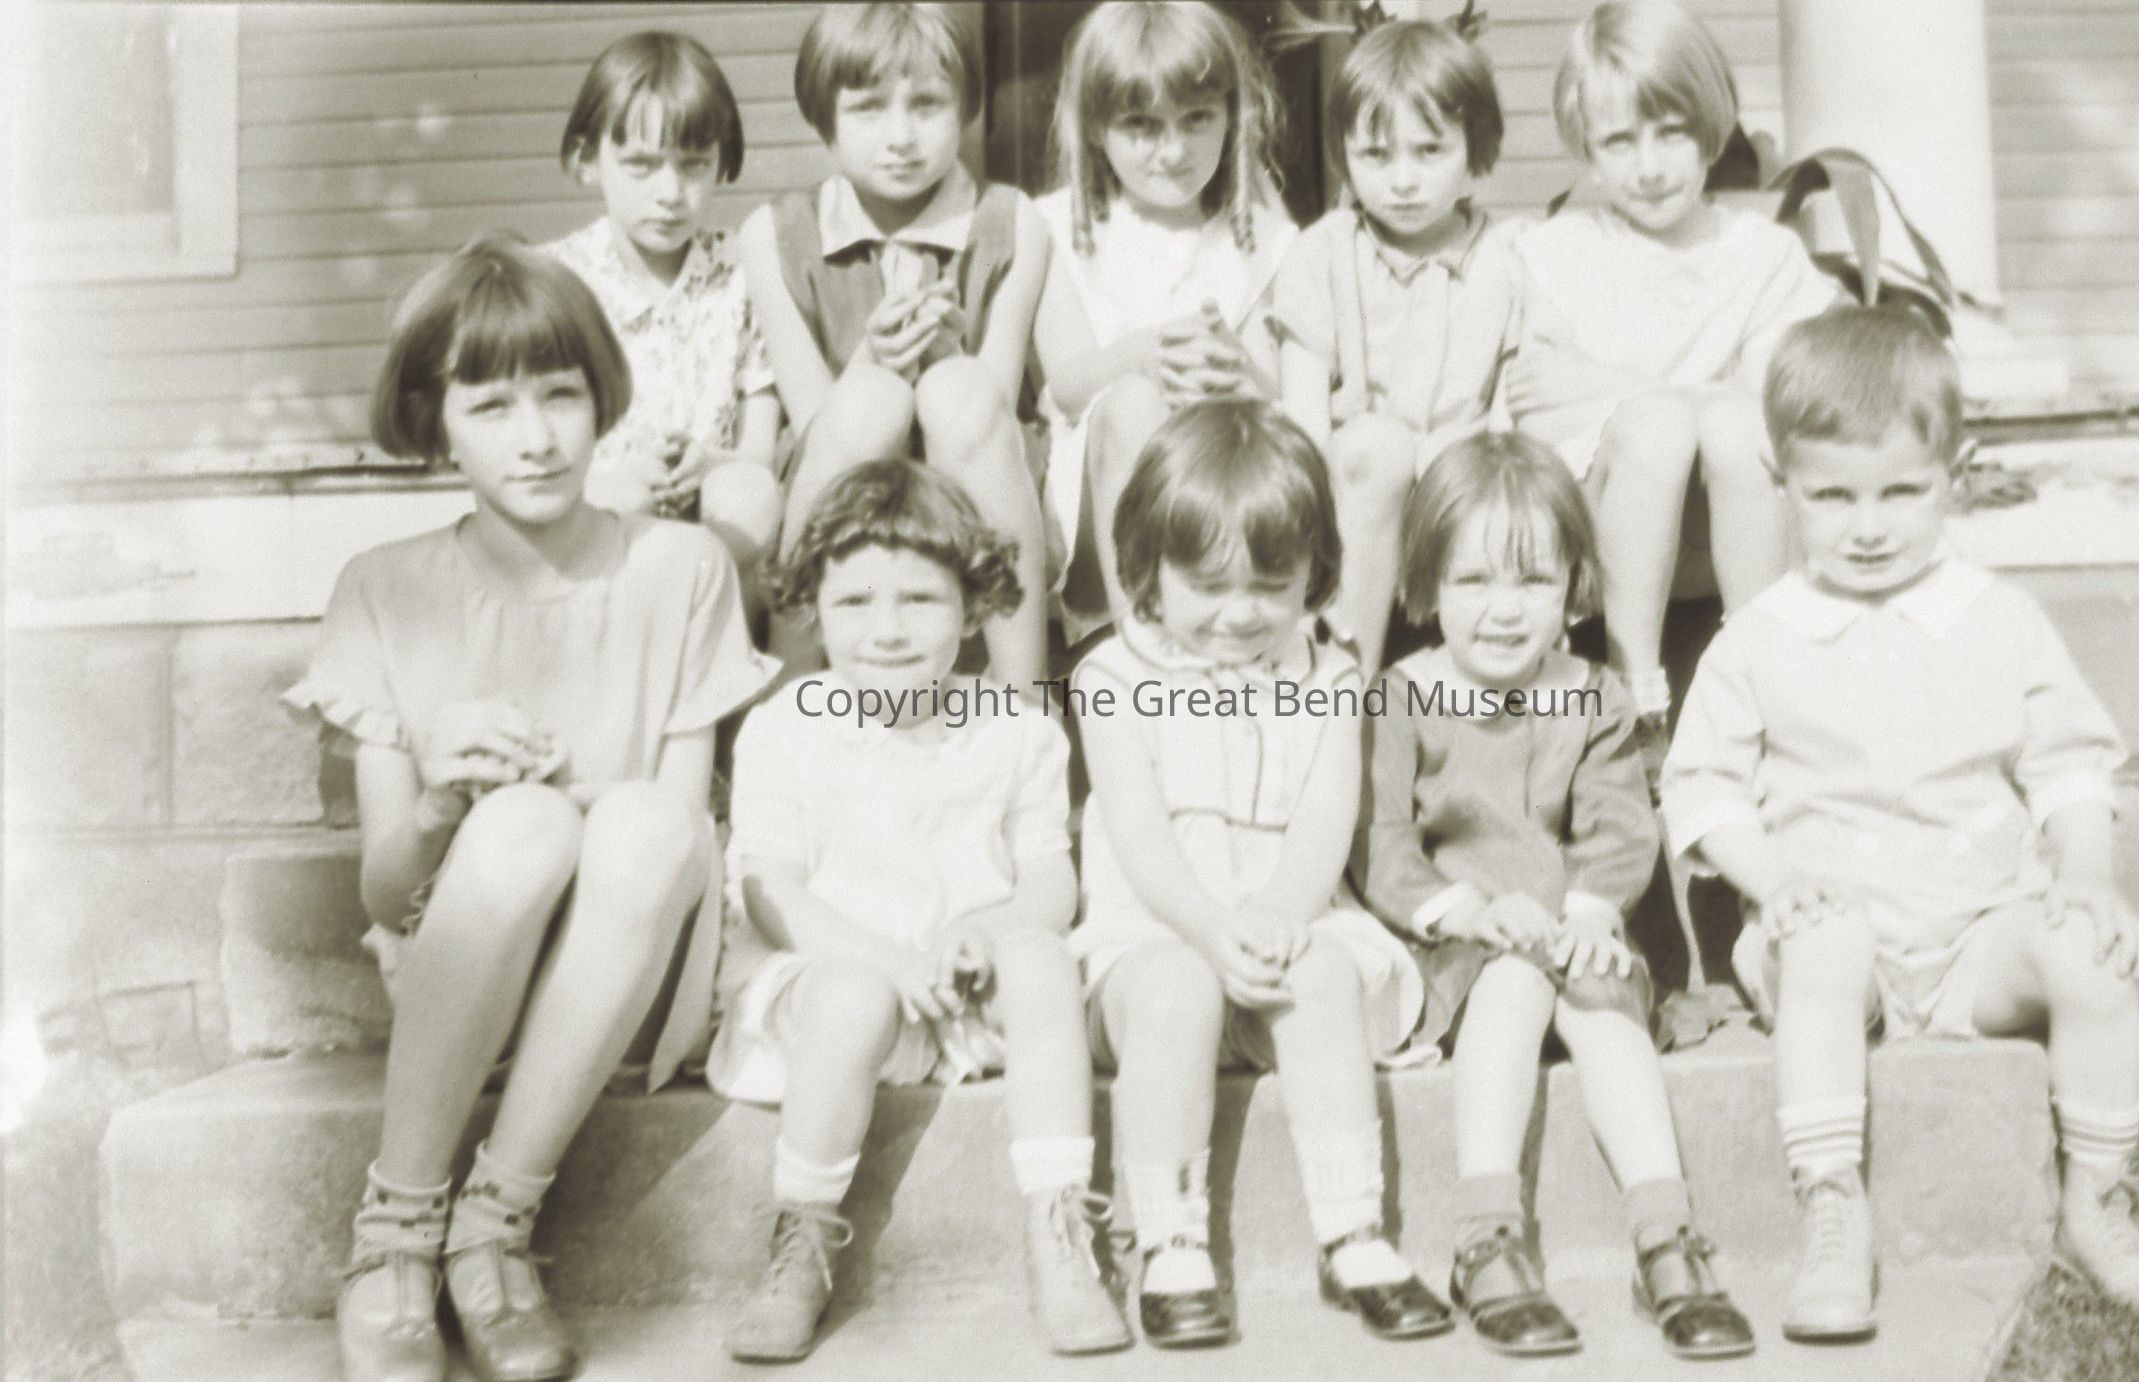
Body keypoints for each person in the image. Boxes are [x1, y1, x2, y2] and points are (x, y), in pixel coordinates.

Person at [286, 236, 777, 1382]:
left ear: (602, 399)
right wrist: (440, 797)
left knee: (631, 821)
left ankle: (493, 1225)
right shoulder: (382, 587)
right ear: (435, 419)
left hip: (632, 963)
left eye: (560, 394)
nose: (538, 435)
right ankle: (396, 1231)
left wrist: (541, 795)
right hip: (460, 962)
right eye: (491, 404)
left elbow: (671, 827)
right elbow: (388, 895)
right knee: (518, 826)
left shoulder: (682, 565)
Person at [1661, 306, 2139, 1342]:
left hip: (1973, 938)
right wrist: (1774, 882)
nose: (1867, 526)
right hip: (1830, 945)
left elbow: (2067, 763)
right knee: (1825, 939)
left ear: (1954, 473)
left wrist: (2084, 875)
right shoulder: (1759, 637)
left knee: (2087, 957)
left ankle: (2095, 1199)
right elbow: (1703, 790)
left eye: (1901, 491)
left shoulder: (1996, 618)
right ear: (1781, 483)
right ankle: (1831, 1205)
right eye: (1831, 496)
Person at [709, 461, 1126, 1362]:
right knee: (853, 996)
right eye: (854, 602)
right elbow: (772, 891)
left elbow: (1050, 883)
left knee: (1041, 960)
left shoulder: (1016, 729)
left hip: (966, 992)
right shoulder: (786, 727)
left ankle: (1059, 1228)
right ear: (812, 608)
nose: (887, 630)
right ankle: (803, 1235)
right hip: (829, 990)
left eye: (921, 600)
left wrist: (986, 934)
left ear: (973, 609)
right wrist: (891, 962)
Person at [1357, 431, 1755, 1360]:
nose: (1504, 610)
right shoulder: (1399, 698)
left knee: (1600, 996)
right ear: (1426, 585)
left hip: (1573, 933)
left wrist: (1587, 914)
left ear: (1573, 587)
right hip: (1459, 951)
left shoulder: (1590, 694)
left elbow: (1618, 826)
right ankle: (1485, 1237)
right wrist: (1464, 912)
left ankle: (1665, 1236)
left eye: (1533, 581)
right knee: (1512, 979)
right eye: (1472, 581)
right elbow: (1380, 845)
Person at [1071, 399, 1448, 1349]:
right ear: (1146, 571)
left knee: (1319, 969)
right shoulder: (1111, 678)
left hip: (1289, 926)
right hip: (1157, 936)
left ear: (1315, 575)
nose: (1240, 613)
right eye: (1207, 586)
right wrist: (1208, 927)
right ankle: (1169, 1241)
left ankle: (1352, 1233)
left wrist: (1280, 910)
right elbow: (1137, 834)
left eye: (1271, 586)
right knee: (1173, 986)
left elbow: (1324, 815)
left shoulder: (1330, 676)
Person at [1511, 0, 1837, 759]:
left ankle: (1761, 681)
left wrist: (1609, 386)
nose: (1650, 167)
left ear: (1711, 127)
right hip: (1599, 550)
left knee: (1733, 425)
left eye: (1671, 133)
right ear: (1586, 146)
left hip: (1730, 541)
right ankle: (1632, 692)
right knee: (1658, 429)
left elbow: (1773, 411)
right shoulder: (1553, 254)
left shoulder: (1762, 256)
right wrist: (1667, 402)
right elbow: (1533, 410)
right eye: (1619, 141)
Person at [741, 2, 1052, 691]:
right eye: (868, 109)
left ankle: (1026, 699)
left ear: (965, 109)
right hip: (838, 468)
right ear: (824, 118)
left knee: (959, 389)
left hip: (976, 475)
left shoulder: (1010, 222)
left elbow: (992, 408)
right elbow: (816, 417)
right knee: (870, 401)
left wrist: (946, 354)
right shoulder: (774, 234)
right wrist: (870, 362)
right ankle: (792, 688)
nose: (901, 136)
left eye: (927, 104)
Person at [1032, 1, 1296, 638]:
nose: (1173, 150)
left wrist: (1238, 368)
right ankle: (1142, 647)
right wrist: (1140, 355)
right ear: (1096, 128)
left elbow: (1279, 391)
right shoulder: (1056, 228)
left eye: (1197, 118)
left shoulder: (1263, 239)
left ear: (1231, 115)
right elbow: (1064, 385)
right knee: (1135, 404)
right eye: (1141, 126)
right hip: (1101, 502)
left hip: (1225, 490)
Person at [1273, 17, 1521, 670]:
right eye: (1376, 155)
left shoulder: (1508, 258)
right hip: (1351, 498)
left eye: (1429, 151)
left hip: (1463, 491)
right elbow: (1302, 422)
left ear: (1474, 146)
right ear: (1343, 154)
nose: (1403, 181)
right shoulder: (1322, 253)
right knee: (1376, 445)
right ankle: (1343, 686)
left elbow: (1513, 410)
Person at [544, 31, 783, 583]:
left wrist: (712, 462)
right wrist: (619, 477)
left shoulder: (743, 272)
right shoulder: (559, 280)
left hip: (715, 529)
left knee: (749, 494)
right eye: (641, 165)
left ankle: (707, 625)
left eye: (694, 164)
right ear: (587, 160)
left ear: (723, 162)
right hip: (602, 509)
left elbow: (759, 450)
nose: (671, 192)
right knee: (620, 498)